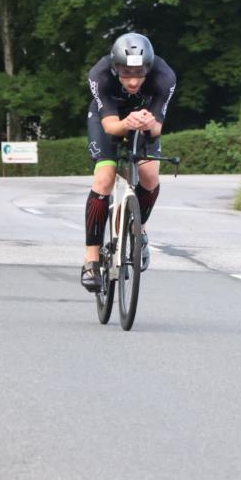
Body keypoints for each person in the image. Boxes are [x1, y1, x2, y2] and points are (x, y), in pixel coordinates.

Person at [81, 33, 176, 292]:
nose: (133, 81)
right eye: (125, 73)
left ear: (149, 68)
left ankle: (137, 229)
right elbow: (111, 127)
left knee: (150, 176)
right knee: (104, 178)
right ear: (115, 68)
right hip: (109, 121)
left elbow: (156, 128)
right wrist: (126, 123)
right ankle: (91, 259)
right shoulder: (99, 74)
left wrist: (149, 124)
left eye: (139, 73)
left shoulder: (164, 76)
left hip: (143, 121)